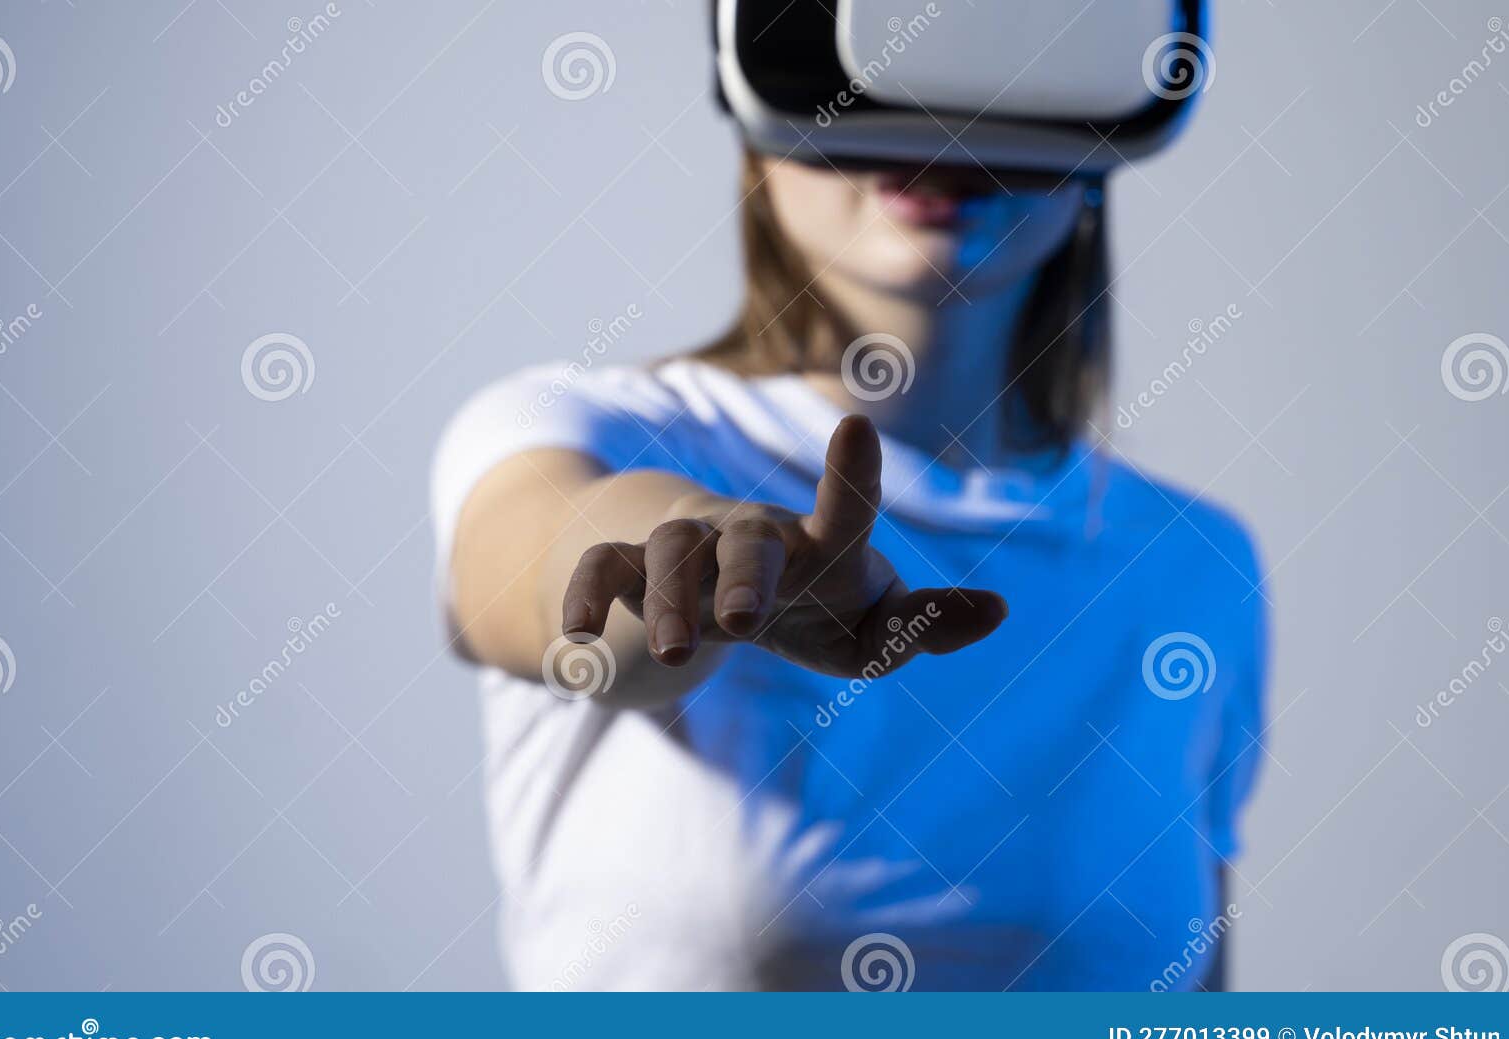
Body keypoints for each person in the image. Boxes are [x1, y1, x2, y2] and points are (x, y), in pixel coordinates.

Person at [431, 144, 1267, 990]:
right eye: (866, 77)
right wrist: (700, 550)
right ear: (756, 123)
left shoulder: (1194, 564)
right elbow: (538, 583)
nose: (936, 131)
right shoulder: (584, 426)